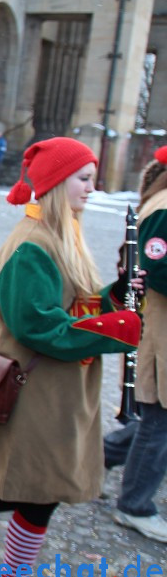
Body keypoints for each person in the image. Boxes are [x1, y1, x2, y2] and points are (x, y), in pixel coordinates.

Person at [0, 137, 143, 577]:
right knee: (30, 492)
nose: (90, 189)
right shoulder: (31, 245)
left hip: (55, 391)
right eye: (83, 179)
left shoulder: (62, 236)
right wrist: (117, 328)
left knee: (34, 493)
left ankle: (3, 573)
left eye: (93, 180)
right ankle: (3, 574)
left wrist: (116, 295)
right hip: (33, 392)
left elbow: (76, 304)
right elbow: (39, 326)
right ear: (58, 183)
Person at [102, 146, 167, 544]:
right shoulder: (163, 208)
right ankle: (135, 505)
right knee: (159, 419)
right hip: (160, 331)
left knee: (155, 420)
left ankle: (94, 462)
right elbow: (155, 267)